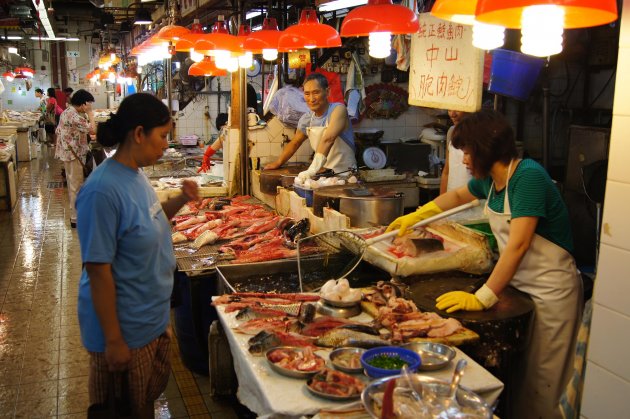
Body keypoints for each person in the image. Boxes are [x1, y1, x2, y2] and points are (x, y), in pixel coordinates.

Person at [387, 110, 582, 419]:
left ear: (485, 149)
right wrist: (417, 215)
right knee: (518, 374)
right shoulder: (492, 181)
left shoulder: (527, 176)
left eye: (467, 151)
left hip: (551, 291)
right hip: (518, 287)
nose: (464, 159)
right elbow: (457, 196)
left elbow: (518, 244)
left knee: (543, 378)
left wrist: (484, 295)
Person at [75, 93, 200, 417]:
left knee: (143, 403)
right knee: (126, 411)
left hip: (149, 321)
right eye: (162, 137)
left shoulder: (136, 175)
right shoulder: (101, 190)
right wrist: (114, 341)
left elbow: (149, 219)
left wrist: (180, 200)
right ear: (139, 133)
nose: (165, 146)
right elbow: (98, 269)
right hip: (125, 330)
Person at [263, 72, 357, 180]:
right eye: (307, 94)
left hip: (346, 175)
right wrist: (278, 162)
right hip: (324, 175)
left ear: (327, 92)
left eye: (316, 92)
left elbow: (328, 139)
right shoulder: (307, 119)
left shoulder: (338, 110)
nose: (311, 99)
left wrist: (312, 170)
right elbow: (295, 142)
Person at [54, 89, 96, 228]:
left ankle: (77, 216)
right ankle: (76, 219)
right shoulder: (74, 115)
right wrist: (90, 113)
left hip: (70, 153)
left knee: (75, 185)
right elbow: (93, 129)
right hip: (73, 155)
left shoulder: (69, 112)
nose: (90, 106)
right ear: (83, 103)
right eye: (89, 104)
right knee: (75, 187)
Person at [440, 110, 470, 194]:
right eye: (449, 110)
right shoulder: (451, 132)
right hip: (451, 198)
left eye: (457, 109)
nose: (452, 115)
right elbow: (446, 171)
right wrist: (440, 203)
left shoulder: (481, 134)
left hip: (473, 200)